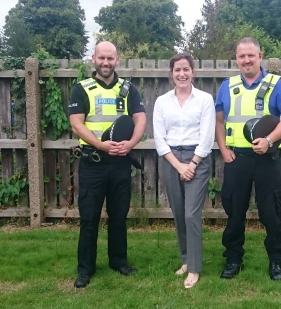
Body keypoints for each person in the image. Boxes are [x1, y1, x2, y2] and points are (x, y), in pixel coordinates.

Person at [215, 37, 281, 281]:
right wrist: (222, 149)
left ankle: (276, 261)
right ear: (237, 59)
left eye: (251, 55)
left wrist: (269, 141)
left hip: (266, 160)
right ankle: (233, 259)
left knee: (270, 213)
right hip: (237, 160)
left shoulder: (276, 83)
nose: (247, 60)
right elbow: (218, 122)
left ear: (260, 56)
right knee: (234, 212)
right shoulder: (227, 86)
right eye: (242, 56)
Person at [68, 41, 146, 288]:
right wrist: (101, 145)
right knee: (89, 218)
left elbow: (141, 119)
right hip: (93, 162)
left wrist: (131, 143)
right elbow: (76, 124)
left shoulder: (128, 89)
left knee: (119, 217)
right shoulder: (82, 89)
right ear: (94, 59)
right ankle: (85, 269)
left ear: (117, 59)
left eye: (110, 58)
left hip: (120, 162)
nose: (105, 63)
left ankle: (119, 262)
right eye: (101, 58)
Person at [153, 53, 215, 289]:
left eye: (186, 69)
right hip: (171, 160)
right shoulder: (162, 102)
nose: (181, 74)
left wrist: (192, 164)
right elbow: (160, 139)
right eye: (177, 70)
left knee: (191, 214)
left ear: (193, 72)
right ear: (171, 74)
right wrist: (178, 165)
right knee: (179, 214)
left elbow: (207, 136)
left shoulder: (205, 99)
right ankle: (186, 261)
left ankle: (196, 268)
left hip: (197, 159)